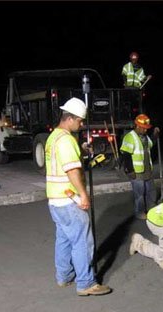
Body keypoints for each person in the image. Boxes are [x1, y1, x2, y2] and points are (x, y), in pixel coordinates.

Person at [45, 97, 111, 297]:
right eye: (80, 121)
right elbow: (72, 171)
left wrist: (80, 152)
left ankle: (64, 276)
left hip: (55, 200)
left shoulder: (53, 137)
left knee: (64, 239)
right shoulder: (66, 140)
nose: (81, 125)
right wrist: (83, 195)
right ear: (70, 118)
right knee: (82, 241)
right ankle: (86, 283)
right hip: (69, 199)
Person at [120, 114, 160, 220]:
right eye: (144, 128)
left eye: (147, 129)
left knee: (151, 191)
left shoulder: (145, 137)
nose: (146, 130)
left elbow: (151, 144)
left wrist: (155, 134)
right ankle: (140, 212)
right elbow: (126, 155)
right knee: (140, 195)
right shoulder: (130, 137)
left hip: (147, 170)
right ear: (138, 126)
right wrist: (130, 170)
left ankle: (152, 209)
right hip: (136, 172)